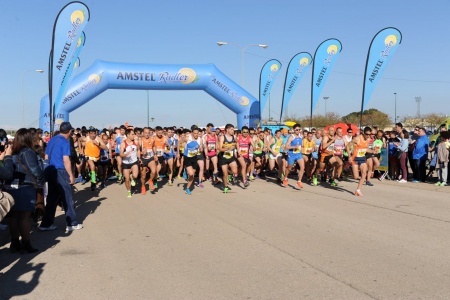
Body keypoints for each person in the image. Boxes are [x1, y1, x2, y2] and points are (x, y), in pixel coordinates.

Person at [39, 122, 83, 232]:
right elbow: (66, 160)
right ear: (69, 131)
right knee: (67, 197)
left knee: (52, 198)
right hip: (61, 171)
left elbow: (46, 156)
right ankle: (71, 223)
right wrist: (71, 175)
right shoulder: (65, 142)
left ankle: (46, 224)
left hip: (51, 170)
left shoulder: (52, 139)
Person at [347, 127, 374, 196]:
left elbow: (365, 149)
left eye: (369, 134)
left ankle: (358, 190)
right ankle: (349, 169)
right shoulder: (357, 139)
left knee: (364, 174)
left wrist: (373, 151)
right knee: (356, 177)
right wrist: (349, 156)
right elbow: (347, 146)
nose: (368, 136)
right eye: (366, 134)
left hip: (362, 158)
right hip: (355, 158)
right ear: (363, 133)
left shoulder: (368, 139)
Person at [120, 128, 140, 198]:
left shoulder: (136, 142)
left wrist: (139, 158)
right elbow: (121, 154)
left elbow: (138, 150)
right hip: (126, 163)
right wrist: (125, 155)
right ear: (128, 135)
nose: (133, 135)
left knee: (135, 175)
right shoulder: (123, 143)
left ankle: (133, 178)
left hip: (134, 161)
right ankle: (129, 191)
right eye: (132, 134)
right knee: (127, 179)